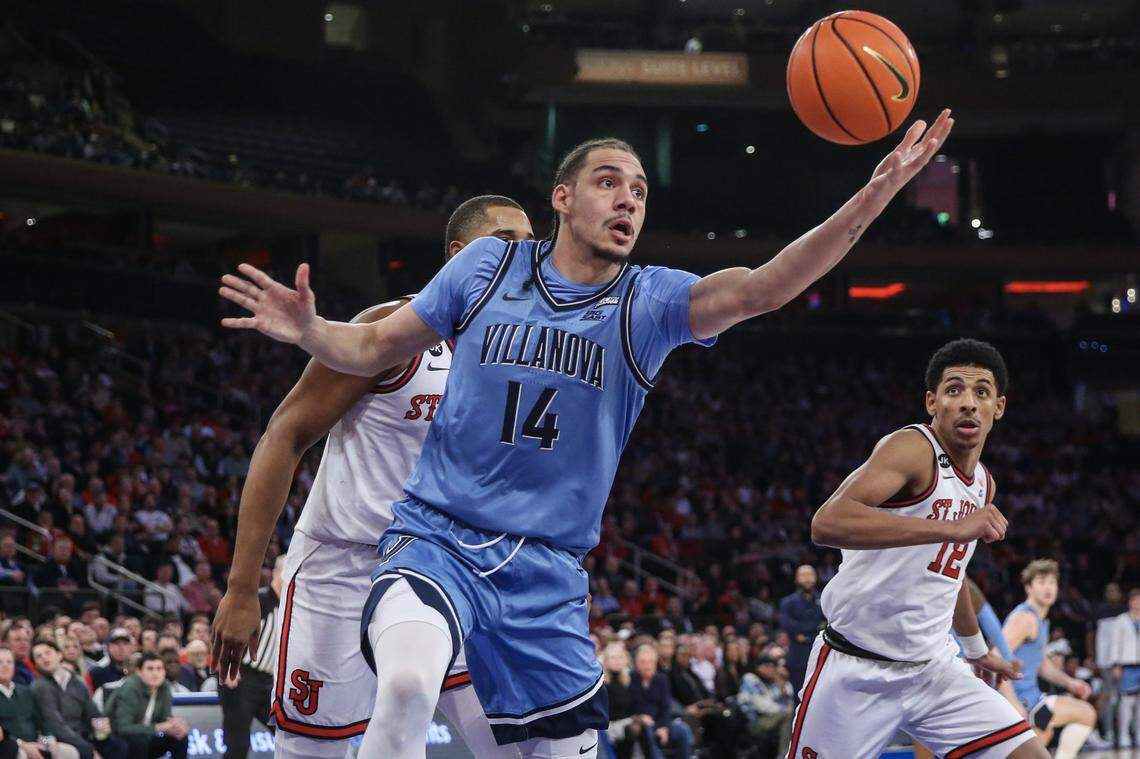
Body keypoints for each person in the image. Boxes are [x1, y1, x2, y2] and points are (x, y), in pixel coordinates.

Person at [217, 113, 955, 757]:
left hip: (545, 572)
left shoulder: (649, 301)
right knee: (406, 683)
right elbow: (371, 349)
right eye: (609, 181)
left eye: (639, 188)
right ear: (562, 200)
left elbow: (766, 286)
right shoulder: (485, 268)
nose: (628, 196)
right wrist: (311, 329)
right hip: (433, 540)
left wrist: (876, 192)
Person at [211, 195, 534, 758]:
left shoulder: (522, 351)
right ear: (459, 257)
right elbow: (283, 437)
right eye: (508, 240)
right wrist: (242, 588)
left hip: (450, 569)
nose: (525, 255)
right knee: (312, 751)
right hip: (346, 566)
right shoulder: (390, 330)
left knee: (521, 740)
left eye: (532, 245)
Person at [802, 339, 1045, 757]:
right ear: (932, 402)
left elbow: (951, 576)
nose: (968, 403)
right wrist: (950, 528)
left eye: (981, 392)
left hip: (934, 672)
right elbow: (826, 523)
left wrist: (976, 652)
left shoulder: (984, 484)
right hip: (856, 668)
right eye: (954, 390)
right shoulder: (914, 447)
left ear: (998, 408)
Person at [1004, 560, 1099, 757]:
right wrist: (1012, 702)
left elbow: (1041, 663)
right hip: (1022, 701)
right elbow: (996, 659)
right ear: (1028, 587)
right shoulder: (1025, 619)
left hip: (1033, 698)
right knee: (1086, 714)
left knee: (1040, 745)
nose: (1048, 587)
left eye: (1052, 582)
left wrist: (1070, 683)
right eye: (1041, 582)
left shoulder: (1041, 619)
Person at [218, 557, 280, 759]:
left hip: (268, 682)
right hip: (241, 676)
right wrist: (226, 667)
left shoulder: (291, 607)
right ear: (278, 574)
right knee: (238, 745)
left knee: (286, 734)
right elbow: (229, 630)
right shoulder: (260, 600)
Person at [29, 640, 126, 759]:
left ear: (59, 655)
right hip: (56, 737)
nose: (44, 658)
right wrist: (88, 747)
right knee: (85, 751)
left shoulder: (77, 680)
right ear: (36, 665)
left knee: (118, 745)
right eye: (39, 656)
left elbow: (93, 712)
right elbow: (55, 724)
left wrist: (102, 730)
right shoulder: (39, 687)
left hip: (84, 733)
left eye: (48, 653)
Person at [0, 646, 80, 759]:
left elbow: (41, 722)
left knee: (68, 752)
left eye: (9, 662)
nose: (5, 666)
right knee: (20, 754)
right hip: (11, 746)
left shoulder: (25, 691)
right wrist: (22, 745)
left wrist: (48, 740)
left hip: (37, 740)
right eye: (0, 662)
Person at [105, 652, 188, 759]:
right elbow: (123, 728)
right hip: (117, 741)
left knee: (179, 737)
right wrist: (159, 727)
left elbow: (165, 719)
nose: (155, 673)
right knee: (139, 740)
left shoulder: (165, 688)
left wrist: (175, 726)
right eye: (150, 669)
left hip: (146, 738)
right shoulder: (130, 688)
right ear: (139, 672)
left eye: (159, 669)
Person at [628, 644, 692, 759]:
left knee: (683, 730)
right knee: (647, 732)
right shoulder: (631, 679)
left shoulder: (661, 679)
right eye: (643, 662)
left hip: (662, 722)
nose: (647, 666)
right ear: (636, 663)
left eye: (651, 662)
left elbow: (666, 706)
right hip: (643, 724)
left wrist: (663, 727)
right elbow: (631, 705)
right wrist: (640, 716)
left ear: (655, 663)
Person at [777, 564, 824, 695]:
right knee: (799, 697)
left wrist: (803, 632)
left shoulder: (824, 599)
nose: (807, 578)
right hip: (798, 657)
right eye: (803, 575)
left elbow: (828, 623)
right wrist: (815, 627)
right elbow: (787, 625)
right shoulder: (787, 602)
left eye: (810, 574)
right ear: (796, 579)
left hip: (821, 654)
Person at [1103, 588, 1140, 748]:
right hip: (1127, 664)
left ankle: (1138, 733)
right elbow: (1114, 644)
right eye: (1135, 600)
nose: (1137, 603)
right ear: (1130, 601)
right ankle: (1124, 734)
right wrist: (1115, 664)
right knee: (1126, 701)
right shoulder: (1121, 620)